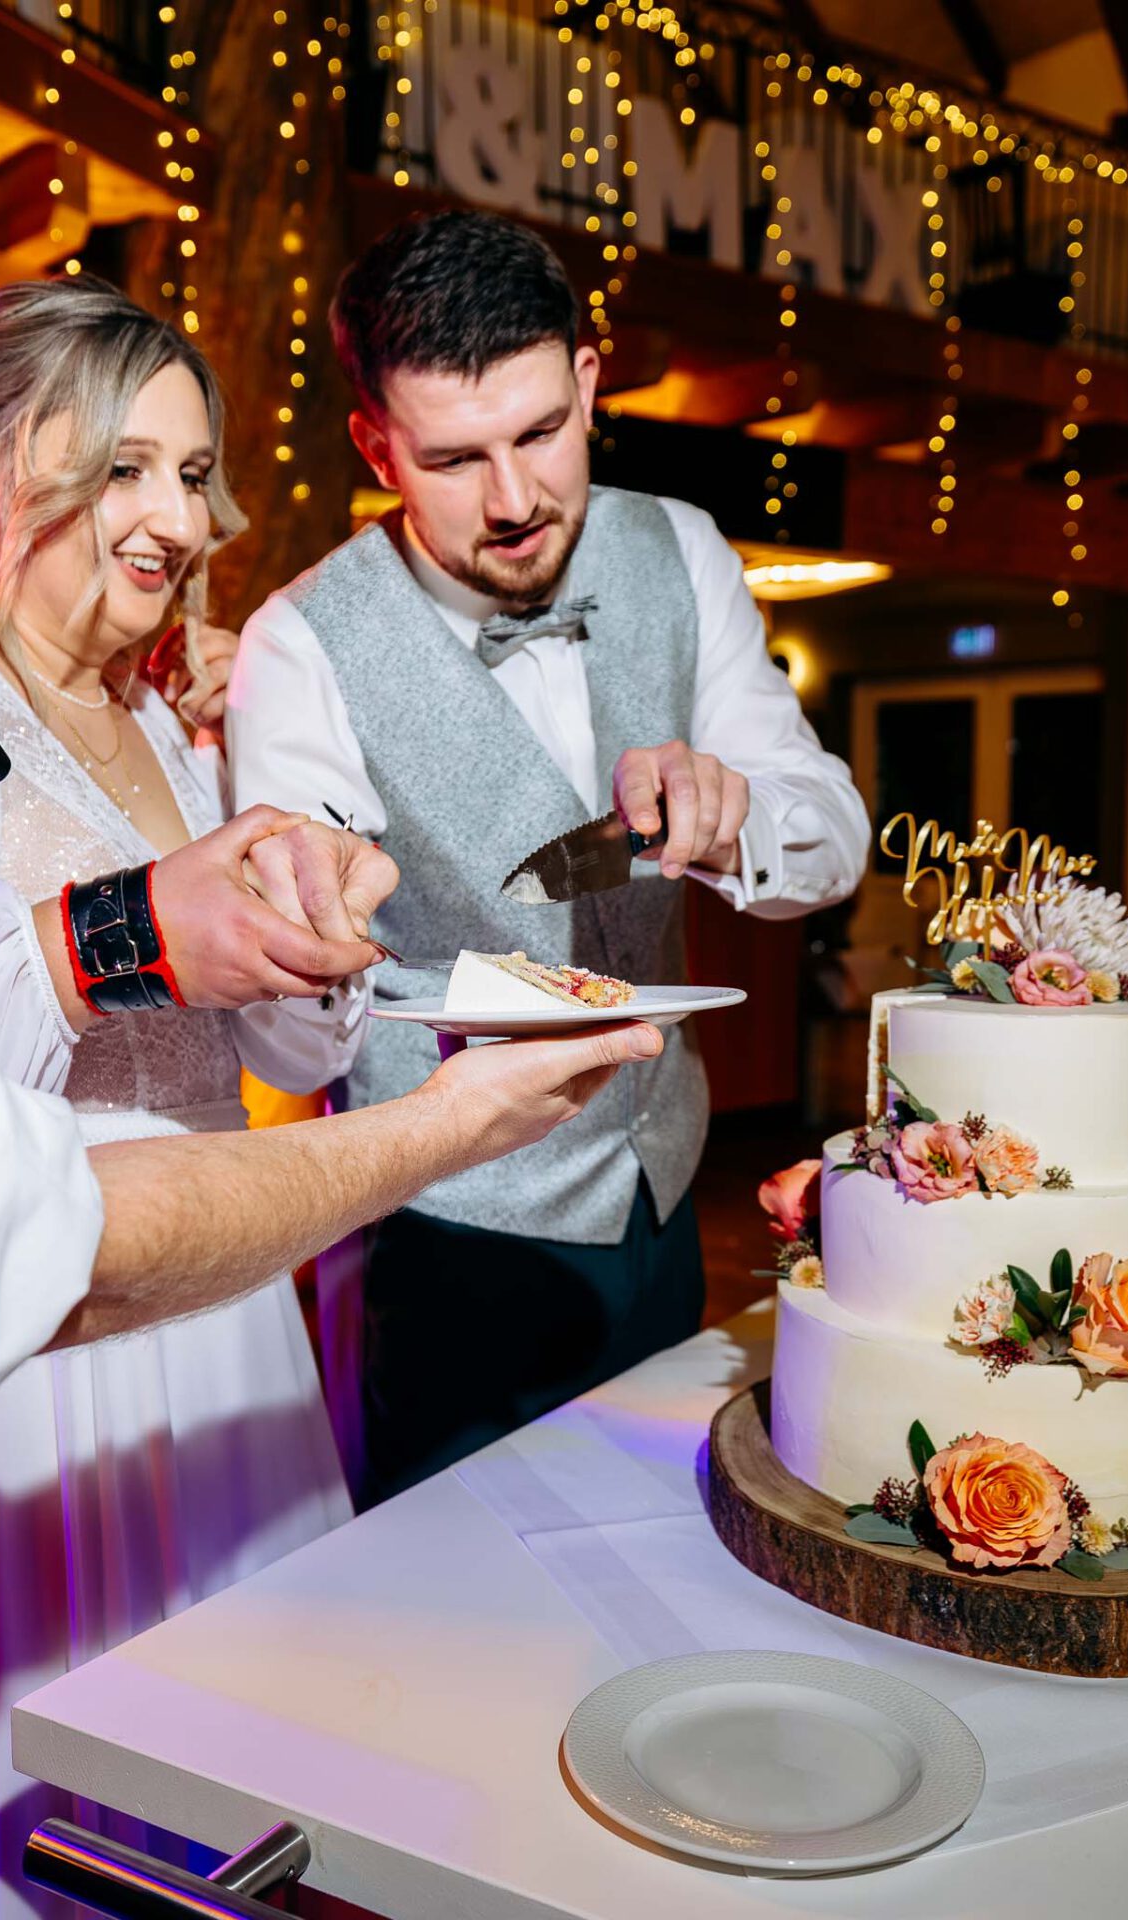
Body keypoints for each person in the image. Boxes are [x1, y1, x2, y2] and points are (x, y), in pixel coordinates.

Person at [0, 597, 661, 1916]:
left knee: (254, 1743)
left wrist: (317, 950)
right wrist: (124, 934)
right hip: (43, 1322)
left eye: (193, 491)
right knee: (48, 1764)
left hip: (226, 1274)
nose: (168, 517)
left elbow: (289, 1052)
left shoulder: (173, 726)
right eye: (114, 484)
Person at [227, 208, 871, 1505]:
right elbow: (290, 1044)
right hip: (443, 1232)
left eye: (539, 434)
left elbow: (836, 836)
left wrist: (736, 811)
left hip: (666, 1189)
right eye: (454, 459)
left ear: (587, 380)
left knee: (672, 1542)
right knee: (451, 1597)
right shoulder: (298, 645)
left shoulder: (681, 547)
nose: (514, 502)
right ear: (377, 446)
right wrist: (306, 944)